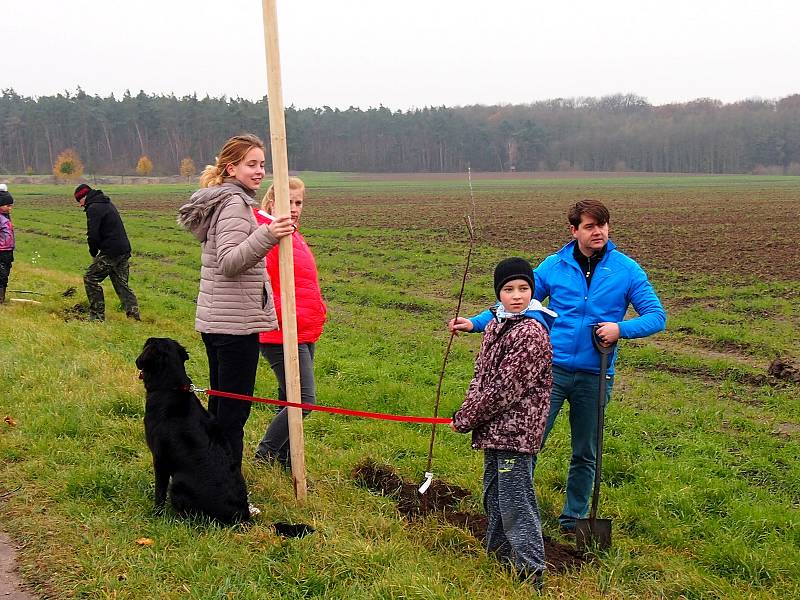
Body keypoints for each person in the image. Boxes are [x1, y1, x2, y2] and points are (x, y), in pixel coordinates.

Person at [450, 199, 666, 534]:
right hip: (550, 372)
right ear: (574, 230)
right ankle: (517, 508)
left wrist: (619, 329)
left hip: (596, 374)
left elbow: (657, 316)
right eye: (590, 226)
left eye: (603, 225)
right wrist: (476, 322)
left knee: (585, 451)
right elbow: (514, 297)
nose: (598, 232)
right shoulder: (555, 265)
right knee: (527, 443)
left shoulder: (627, 270)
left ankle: (573, 520)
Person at [177, 134, 294, 475]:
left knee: (221, 407)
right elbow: (229, 262)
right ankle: (226, 486)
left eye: (262, 164)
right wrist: (269, 234)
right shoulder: (234, 205)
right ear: (231, 168)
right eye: (251, 164)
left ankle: (209, 474)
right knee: (233, 412)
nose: (260, 171)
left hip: (220, 321)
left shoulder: (227, 200)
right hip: (233, 325)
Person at [451, 257, 555, 588]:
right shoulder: (498, 324)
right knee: (493, 495)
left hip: (515, 433)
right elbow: (481, 377)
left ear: (532, 291)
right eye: (508, 289)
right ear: (499, 294)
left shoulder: (531, 333)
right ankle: (498, 558)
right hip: (495, 429)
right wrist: (467, 410)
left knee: (515, 501)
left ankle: (531, 573)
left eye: (524, 288)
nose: (516, 295)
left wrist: (467, 417)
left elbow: (503, 390)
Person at [252, 176, 327, 469]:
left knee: (289, 400)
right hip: (281, 331)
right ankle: (265, 455)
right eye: (289, 201)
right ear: (272, 201)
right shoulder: (267, 231)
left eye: (299, 203)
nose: (295, 208)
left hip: (305, 328)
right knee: (303, 401)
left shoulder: (293, 234)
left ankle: (284, 461)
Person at [73, 184, 140, 321]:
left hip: (111, 251)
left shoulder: (93, 208)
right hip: (123, 249)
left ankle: (97, 316)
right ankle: (134, 317)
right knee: (121, 284)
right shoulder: (106, 203)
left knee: (90, 279)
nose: (80, 205)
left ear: (84, 197)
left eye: (79, 201)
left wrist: (93, 252)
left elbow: (93, 235)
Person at [0, 184, 15, 304]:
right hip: (1, 251)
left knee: (5, 274)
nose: (10, 208)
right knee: (1, 275)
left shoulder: (6, 217)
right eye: (7, 205)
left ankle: (2, 297)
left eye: (11, 206)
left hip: (8, 251)